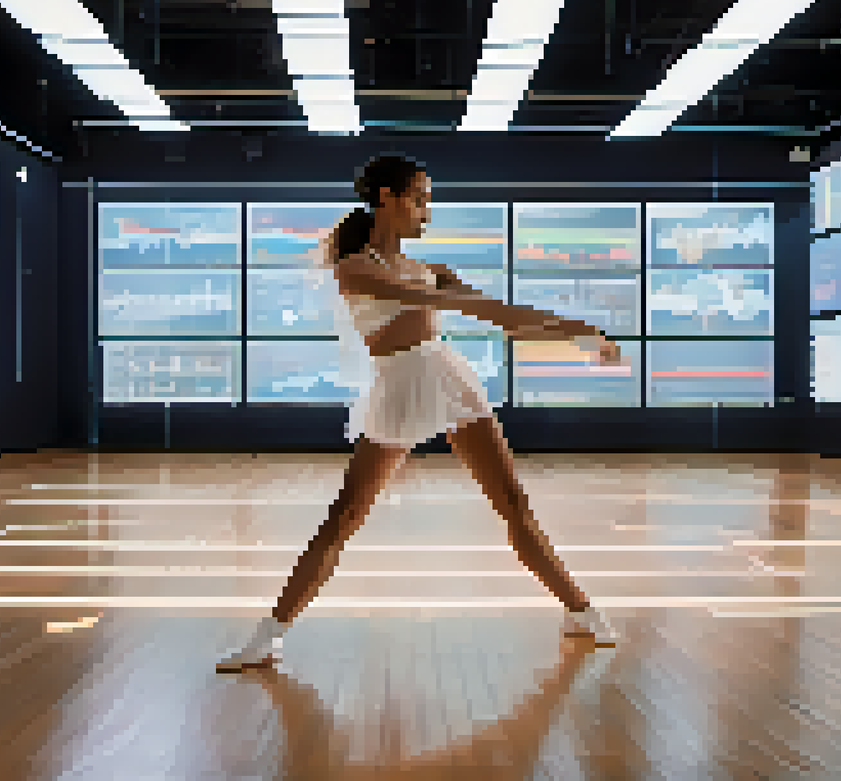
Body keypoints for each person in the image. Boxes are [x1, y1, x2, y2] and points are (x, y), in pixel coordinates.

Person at [218, 154, 622, 673]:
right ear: (386, 197)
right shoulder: (355, 269)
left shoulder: (430, 270)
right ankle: (267, 637)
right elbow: (461, 307)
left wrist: (580, 332)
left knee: (512, 501)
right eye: (419, 197)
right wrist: (465, 301)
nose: (426, 209)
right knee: (345, 515)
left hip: (447, 377)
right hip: (399, 386)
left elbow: (504, 316)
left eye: (427, 199)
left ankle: (579, 610)